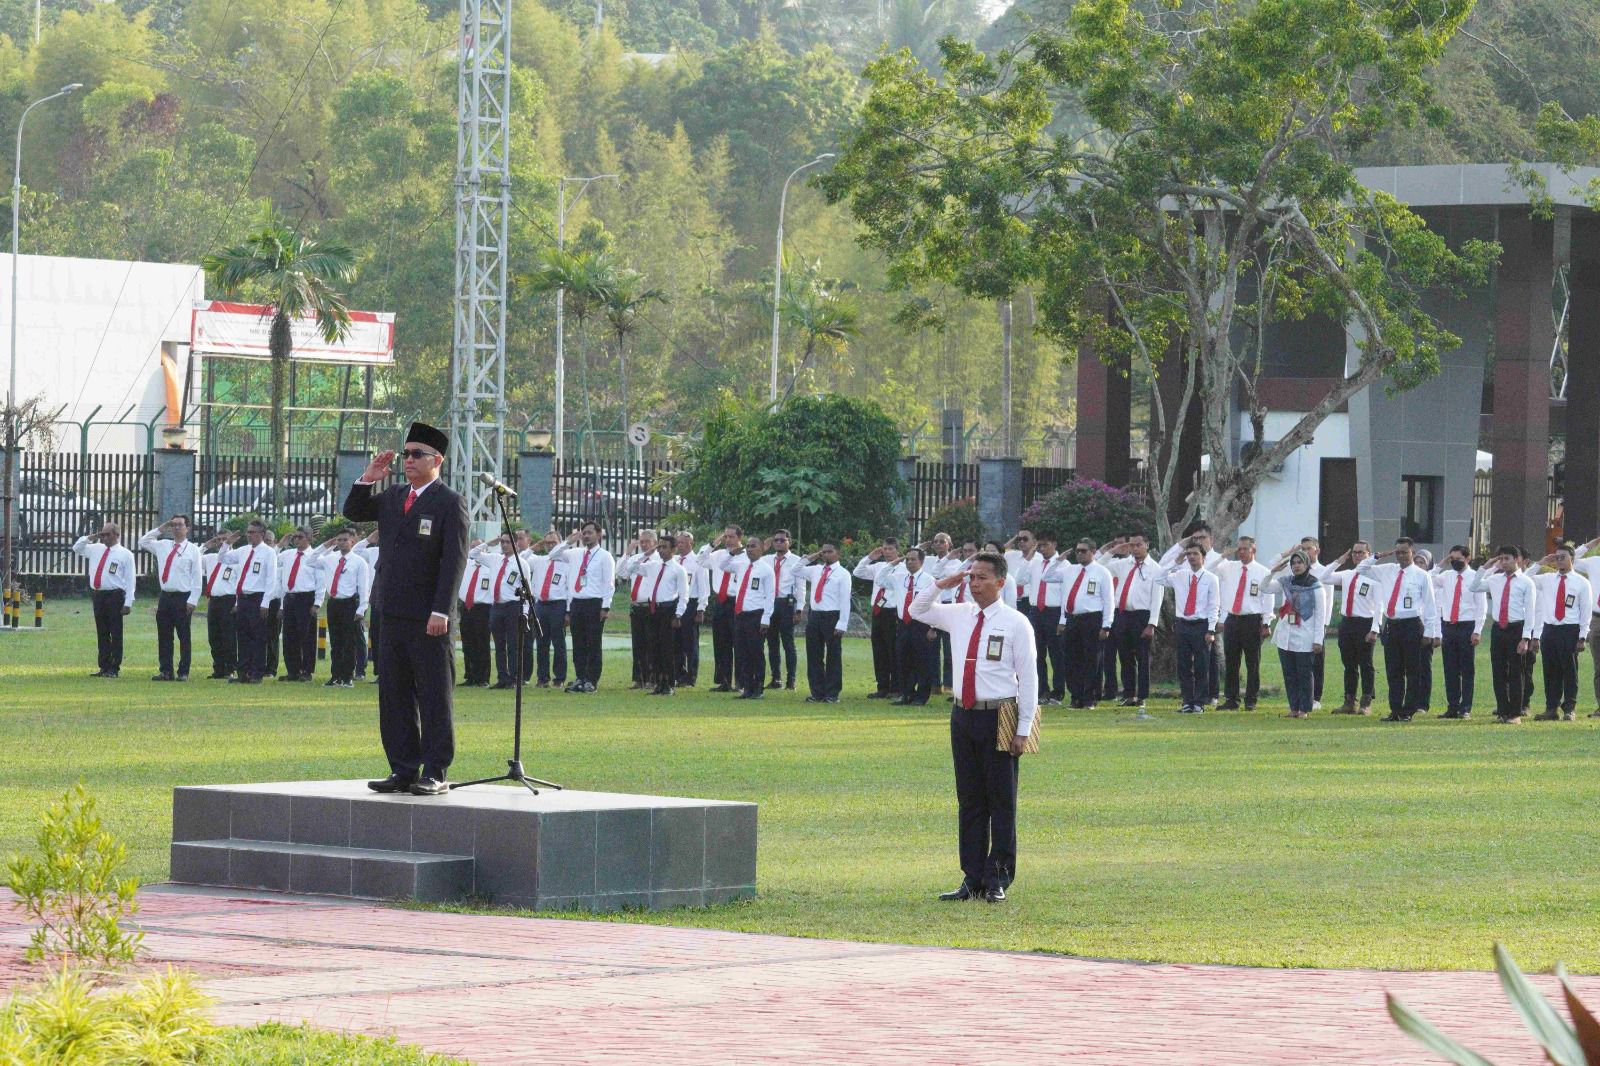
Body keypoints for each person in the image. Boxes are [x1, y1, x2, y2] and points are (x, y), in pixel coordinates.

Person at [343, 423, 470, 795]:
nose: (409, 461)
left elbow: (454, 561)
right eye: (406, 454)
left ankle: (436, 770)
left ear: (437, 460)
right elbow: (354, 510)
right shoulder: (395, 495)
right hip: (390, 610)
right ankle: (403, 768)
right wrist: (369, 477)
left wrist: (442, 611)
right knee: (393, 693)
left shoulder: (449, 501)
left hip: (429, 615)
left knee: (433, 693)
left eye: (417, 454)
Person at [912, 550, 1038, 905]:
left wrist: (1024, 727)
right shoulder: (959, 616)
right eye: (971, 576)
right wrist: (941, 583)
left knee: (1001, 799)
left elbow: (1029, 678)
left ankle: (997, 875)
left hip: (1000, 713)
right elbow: (916, 610)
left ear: (1000, 582)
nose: (974, 583)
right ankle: (972, 876)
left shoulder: (1015, 622)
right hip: (963, 713)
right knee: (969, 799)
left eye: (982, 577)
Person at [1356, 538, 1440, 723]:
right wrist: (1376, 557)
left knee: (1412, 670)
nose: (1401, 556)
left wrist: (1429, 633)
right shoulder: (1387, 570)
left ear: (1412, 552)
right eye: (1398, 552)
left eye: (1405, 552)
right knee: (1393, 670)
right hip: (1392, 625)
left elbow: (1430, 605)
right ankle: (1395, 709)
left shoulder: (1421, 575)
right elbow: (1360, 569)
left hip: (1412, 624)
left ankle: (1408, 711)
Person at [1471, 545, 1536, 724]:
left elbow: (1530, 612)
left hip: (1517, 628)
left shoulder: (1526, 582)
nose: (1504, 562)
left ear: (1517, 559)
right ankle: (1503, 710)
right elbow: (1474, 586)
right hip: (1499, 629)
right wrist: (1487, 566)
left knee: (1516, 672)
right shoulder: (1495, 579)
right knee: (1498, 671)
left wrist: (1525, 639)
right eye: (1501, 559)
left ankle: (1515, 713)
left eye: (1507, 558)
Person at [1160, 521, 1223, 706]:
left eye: (1195, 554)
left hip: (1202, 624)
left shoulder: (1211, 578)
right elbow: (1158, 577)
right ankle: (1187, 700)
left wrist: (1211, 629)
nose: (1191, 557)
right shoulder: (1180, 575)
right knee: (1184, 666)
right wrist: (1175, 561)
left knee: (1203, 665)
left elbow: (1214, 605)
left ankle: (1200, 701)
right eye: (1189, 554)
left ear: (1203, 557)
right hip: (1183, 624)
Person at [1528, 545, 1591, 721]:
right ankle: (1551, 708)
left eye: (1562, 557)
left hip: (1569, 629)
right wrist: (1540, 563)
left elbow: (1585, 611)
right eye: (1556, 557)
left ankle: (1569, 708)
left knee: (1569, 670)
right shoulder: (1547, 579)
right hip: (1550, 629)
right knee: (1550, 670)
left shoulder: (1581, 582)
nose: (1559, 560)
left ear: (1572, 558)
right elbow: (1524, 578)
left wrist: (1582, 636)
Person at [551, 521, 614, 694]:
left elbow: (609, 583)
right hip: (577, 603)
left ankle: (591, 680)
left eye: (590, 533)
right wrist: (569, 541)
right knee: (578, 643)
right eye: (584, 533)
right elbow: (553, 554)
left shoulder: (604, 556)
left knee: (593, 643)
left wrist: (605, 607)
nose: (586, 536)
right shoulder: (576, 553)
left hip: (594, 603)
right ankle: (580, 677)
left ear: (599, 534)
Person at [1318, 542, 1381, 715]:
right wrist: (1338, 561)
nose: (1357, 556)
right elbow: (1323, 577)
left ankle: (1366, 701)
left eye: (1361, 552)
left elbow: (1379, 606)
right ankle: (1349, 701)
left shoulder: (1374, 578)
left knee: (1366, 663)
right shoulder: (1347, 574)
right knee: (1349, 664)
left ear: (1369, 555)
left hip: (1365, 623)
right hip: (1347, 623)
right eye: (1354, 553)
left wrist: (1375, 629)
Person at [1101, 534, 1162, 711]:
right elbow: (1099, 567)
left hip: (1142, 616)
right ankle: (1129, 693)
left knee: (1142, 658)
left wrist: (1152, 624)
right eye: (1133, 545)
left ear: (1147, 545)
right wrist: (1112, 551)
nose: (1135, 548)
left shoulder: (1155, 569)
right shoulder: (1123, 564)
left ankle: (1142, 695)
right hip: (1122, 614)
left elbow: (1157, 599)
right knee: (1125, 657)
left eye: (1139, 545)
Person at [138, 516, 202, 682]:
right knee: (164, 635)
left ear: (187, 528)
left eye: (180, 525)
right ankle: (166, 670)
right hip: (166, 596)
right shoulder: (163, 545)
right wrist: (161, 528)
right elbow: (143, 541)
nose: (176, 528)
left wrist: (193, 600)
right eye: (173, 525)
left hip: (183, 596)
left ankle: (183, 671)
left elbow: (197, 577)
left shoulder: (193, 550)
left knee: (183, 636)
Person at [1054, 538, 1113, 709]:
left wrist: (1107, 624)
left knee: (1092, 660)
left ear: (1093, 552)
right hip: (1072, 618)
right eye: (1078, 551)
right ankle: (1076, 696)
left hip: (1092, 618)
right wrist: (1058, 560)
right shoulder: (1070, 570)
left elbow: (1108, 600)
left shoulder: (1102, 572)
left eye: (1083, 551)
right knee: (1072, 660)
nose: (1079, 554)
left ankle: (1090, 697)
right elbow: (1047, 576)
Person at [73, 522, 136, 678]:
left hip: (114, 595)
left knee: (115, 632)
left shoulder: (125, 554)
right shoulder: (96, 549)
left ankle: (114, 667)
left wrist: (128, 602)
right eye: (103, 534)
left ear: (116, 535)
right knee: (102, 632)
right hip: (98, 594)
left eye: (107, 534)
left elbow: (130, 580)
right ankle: (104, 666)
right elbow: (77, 548)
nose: (104, 537)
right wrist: (91, 537)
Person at [717, 535, 777, 699]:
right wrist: (732, 553)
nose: (750, 549)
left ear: (761, 548)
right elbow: (722, 565)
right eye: (748, 546)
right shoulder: (741, 565)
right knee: (742, 653)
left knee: (755, 653)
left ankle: (758, 689)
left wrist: (766, 618)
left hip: (756, 614)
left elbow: (770, 596)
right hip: (740, 614)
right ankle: (747, 688)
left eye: (753, 546)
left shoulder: (766, 569)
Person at [1268, 550, 1326, 718]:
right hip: (1286, 635)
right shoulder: (1286, 582)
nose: (1296, 566)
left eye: (1300, 562)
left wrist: (1317, 640)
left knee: (1304, 674)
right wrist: (1273, 571)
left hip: (1305, 636)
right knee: (1289, 674)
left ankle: (1304, 709)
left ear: (1307, 564)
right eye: (1293, 563)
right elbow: (1265, 588)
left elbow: (1320, 615)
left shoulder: (1316, 585)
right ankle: (1293, 708)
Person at [1431, 545, 1486, 719]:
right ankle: (1452, 706)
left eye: (1458, 559)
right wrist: (1442, 563)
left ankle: (1465, 708)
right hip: (1449, 626)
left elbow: (1481, 606)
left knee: (1466, 669)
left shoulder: (1476, 577)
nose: (1455, 562)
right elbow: (1428, 578)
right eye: (1452, 559)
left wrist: (1477, 630)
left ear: (1468, 558)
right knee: (1450, 669)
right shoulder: (1446, 576)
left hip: (1466, 626)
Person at [1217, 537, 1272, 711]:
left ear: (1253, 550)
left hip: (1252, 619)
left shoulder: (1262, 571)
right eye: (1238, 549)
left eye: (1244, 549)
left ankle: (1251, 700)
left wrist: (1266, 622)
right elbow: (1209, 566)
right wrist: (1223, 555)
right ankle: (1231, 699)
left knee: (1252, 662)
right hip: (1233, 618)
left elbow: (1268, 598)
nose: (1241, 552)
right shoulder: (1229, 568)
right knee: (1231, 661)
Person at [219, 520, 277, 685]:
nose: (249, 535)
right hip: (243, 598)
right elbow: (222, 559)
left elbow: (270, 579)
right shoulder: (243, 550)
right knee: (243, 636)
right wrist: (228, 543)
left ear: (262, 534)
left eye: (253, 532)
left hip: (258, 597)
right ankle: (243, 672)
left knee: (258, 637)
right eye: (248, 532)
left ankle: (257, 673)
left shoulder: (268, 552)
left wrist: (265, 602)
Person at [470, 532, 525, 689]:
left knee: (513, 645)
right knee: (499, 645)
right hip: (497, 606)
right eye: (502, 542)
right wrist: (489, 542)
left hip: (513, 606)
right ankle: (502, 677)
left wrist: (525, 612)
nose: (504, 545)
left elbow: (526, 591)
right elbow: (473, 554)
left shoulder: (521, 564)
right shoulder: (495, 559)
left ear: (516, 544)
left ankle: (514, 678)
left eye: (508, 542)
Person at [318, 527, 372, 687]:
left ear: (352, 541)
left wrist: (362, 608)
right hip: (334, 602)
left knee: (350, 641)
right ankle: (335, 676)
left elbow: (364, 587)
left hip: (350, 603)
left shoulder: (358, 562)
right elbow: (311, 560)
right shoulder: (331, 558)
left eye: (345, 540)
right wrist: (325, 546)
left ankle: (347, 676)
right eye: (339, 540)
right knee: (336, 641)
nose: (341, 543)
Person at [798, 543, 850, 703]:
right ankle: (817, 692)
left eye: (830, 551)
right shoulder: (816, 570)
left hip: (832, 616)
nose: (826, 554)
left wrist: (842, 623)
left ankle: (832, 693)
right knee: (814, 655)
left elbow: (845, 600)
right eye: (824, 552)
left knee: (833, 656)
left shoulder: (842, 574)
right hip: (815, 616)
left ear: (838, 553)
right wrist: (811, 557)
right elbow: (795, 570)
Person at [640, 538, 690, 695]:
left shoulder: (678, 569)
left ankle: (669, 683)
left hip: (668, 610)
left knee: (667, 648)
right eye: (659, 547)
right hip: (653, 609)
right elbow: (629, 569)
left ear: (673, 549)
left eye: (664, 547)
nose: (661, 550)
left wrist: (678, 614)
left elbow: (684, 595)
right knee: (653, 647)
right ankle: (658, 682)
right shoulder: (652, 566)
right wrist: (646, 554)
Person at [854, 540, 903, 698]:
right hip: (878, 611)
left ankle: (896, 687)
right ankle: (882, 687)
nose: (887, 552)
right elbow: (858, 572)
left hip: (892, 611)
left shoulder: (903, 567)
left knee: (893, 651)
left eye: (890, 549)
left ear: (897, 550)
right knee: (879, 650)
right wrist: (869, 557)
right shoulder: (878, 566)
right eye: (885, 549)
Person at [275, 527, 322, 683]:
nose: (296, 540)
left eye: (300, 537)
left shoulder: (315, 556)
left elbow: (320, 582)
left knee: (307, 636)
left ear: (309, 538)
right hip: (289, 597)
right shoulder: (288, 555)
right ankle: (293, 671)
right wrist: (280, 545)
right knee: (289, 636)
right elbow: (271, 557)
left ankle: (306, 671)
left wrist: (317, 603)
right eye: (295, 537)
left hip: (306, 598)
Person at [525, 531, 571, 689]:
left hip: (558, 605)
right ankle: (542, 677)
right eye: (548, 542)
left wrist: (568, 612)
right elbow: (520, 560)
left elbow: (570, 588)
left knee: (559, 643)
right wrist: (533, 548)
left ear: (560, 542)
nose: (550, 545)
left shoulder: (567, 562)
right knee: (541, 643)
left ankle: (559, 677)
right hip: (541, 605)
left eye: (553, 542)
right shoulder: (539, 560)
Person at [893, 547, 937, 705]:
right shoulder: (899, 578)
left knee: (922, 661)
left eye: (913, 559)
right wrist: (894, 561)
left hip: (921, 624)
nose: (909, 562)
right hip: (904, 624)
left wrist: (933, 627)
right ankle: (906, 694)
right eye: (907, 559)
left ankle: (921, 696)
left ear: (922, 561)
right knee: (903, 660)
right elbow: (879, 579)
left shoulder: (929, 580)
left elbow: (934, 604)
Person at [1026, 535, 1067, 705]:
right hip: (1036, 610)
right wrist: (1029, 555)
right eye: (1039, 546)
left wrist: (1063, 619)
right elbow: (1020, 578)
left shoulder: (1065, 566)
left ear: (1054, 544)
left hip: (1054, 611)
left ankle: (1057, 692)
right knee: (1037, 654)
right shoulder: (1035, 563)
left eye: (1045, 545)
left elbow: (1066, 595)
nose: (1042, 549)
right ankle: (1042, 690)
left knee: (1056, 654)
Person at [617, 530, 659, 690]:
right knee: (638, 644)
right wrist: (627, 553)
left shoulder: (658, 560)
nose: (644, 544)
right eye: (642, 542)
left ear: (655, 542)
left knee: (652, 643)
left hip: (650, 606)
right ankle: (639, 678)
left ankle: (652, 678)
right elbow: (620, 572)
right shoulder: (636, 559)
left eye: (647, 541)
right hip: (636, 606)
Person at [704, 526, 743, 692]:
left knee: (739, 643)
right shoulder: (718, 555)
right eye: (725, 537)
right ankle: (724, 681)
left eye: (731, 537)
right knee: (721, 642)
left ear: (739, 537)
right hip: (720, 601)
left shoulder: (746, 556)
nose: (728, 540)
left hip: (737, 602)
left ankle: (741, 682)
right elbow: (701, 560)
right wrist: (713, 544)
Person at [200, 531, 241, 679]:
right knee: (214, 636)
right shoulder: (211, 558)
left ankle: (230, 668)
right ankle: (218, 668)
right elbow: (193, 558)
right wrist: (205, 546)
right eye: (220, 539)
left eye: (226, 539)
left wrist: (237, 602)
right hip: (214, 600)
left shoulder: (236, 558)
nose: (223, 542)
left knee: (228, 636)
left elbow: (239, 582)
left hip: (228, 600)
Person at [764, 530, 800, 691]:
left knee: (788, 643)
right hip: (770, 603)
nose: (779, 543)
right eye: (776, 540)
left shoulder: (796, 561)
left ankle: (791, 679)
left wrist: (799, 609)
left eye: (782, 540)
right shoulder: (765, 560)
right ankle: (775, 678)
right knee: (771, 643)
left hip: (787, 603)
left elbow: (801, 587)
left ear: (789, 542)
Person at [457, 539, 494, 688]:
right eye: (472, 547)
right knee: (468, 642)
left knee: (482, 643)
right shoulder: (466, 565)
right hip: (466, 607)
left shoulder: (490, 567)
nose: (475, 550)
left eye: (478, 547)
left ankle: (483, 677)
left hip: (482, 608)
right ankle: (470, 675)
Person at [1573, 536, 1600, 717]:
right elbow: (1570, 560)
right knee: (1599, 667)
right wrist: (1590, 544)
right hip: (1596, 619)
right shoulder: (1594, 562)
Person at [675, 532, 705, 687]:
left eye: (682, 543)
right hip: (675, 603)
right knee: (676, 641)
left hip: (691, 604)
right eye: (678, 542)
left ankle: (690, 677)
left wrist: (701, 609)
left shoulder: (698, 561)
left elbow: (703, 587)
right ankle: (678, 674)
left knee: (690, 643)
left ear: (690, 543)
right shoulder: (674, 560)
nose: (679, 545)